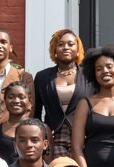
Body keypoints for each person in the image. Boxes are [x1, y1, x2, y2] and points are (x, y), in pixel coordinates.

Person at [32, 29, 94, 159]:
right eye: (60, 44)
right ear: (54, 49)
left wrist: (92, 130)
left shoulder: (90, 76)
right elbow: (36, 111)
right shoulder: (42, 77)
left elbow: (97, 106)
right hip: (53, 137)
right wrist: (41, 133)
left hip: (83, 136)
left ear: (78, 49)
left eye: (70, 44)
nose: (66, 47)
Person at [0, 81, 35, 162]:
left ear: (30, 103)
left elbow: (49, 165)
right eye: (11, 97)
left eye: (21, 97)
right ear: (5, 101)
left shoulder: (41, 129)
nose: (16, 101)